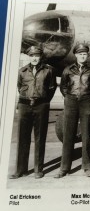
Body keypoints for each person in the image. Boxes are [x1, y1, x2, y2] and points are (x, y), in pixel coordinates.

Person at [10, 46, 57, 179]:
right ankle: (20, 169)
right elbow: (20, 87)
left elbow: (51, 88)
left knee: (39, 138)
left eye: (37, 55)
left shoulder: (49, 70)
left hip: (41, 105)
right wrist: (27, 98)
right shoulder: (22, 71)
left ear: (41, 56)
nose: (34, 58)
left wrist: (43, 101)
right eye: (32, 56)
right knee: (22, 138)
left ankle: (38, 169)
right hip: (24, 105)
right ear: (29, 57)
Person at [54, 43, 90, 178]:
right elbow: (63, 87)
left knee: (87, 135)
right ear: (76, 55)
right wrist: (70, 97)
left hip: (87, 102)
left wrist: (89, 98)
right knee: (68, 135)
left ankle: (87, 166)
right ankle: (64, 168)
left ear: (87, 55)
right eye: (80, 54)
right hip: (71, 102)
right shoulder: (68, 70)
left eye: (85, 54)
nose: (82, 56)